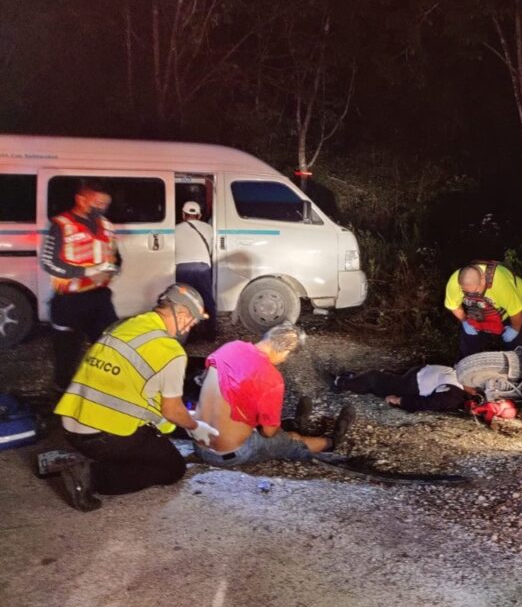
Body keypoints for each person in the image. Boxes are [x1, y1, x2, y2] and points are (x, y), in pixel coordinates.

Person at [53, 283, 218, 511]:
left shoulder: (127, 324)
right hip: (103, 436)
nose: (190, 328)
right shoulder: (170, 350)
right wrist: (194, 425)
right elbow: (171, 410)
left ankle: (100, 460)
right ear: (181, 314)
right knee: (172, 468)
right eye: (192, 322)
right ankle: (89, 477)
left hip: (71, 426)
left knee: (154, 440)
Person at [192, 323, 355, 467]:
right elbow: (268, 433)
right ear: (286, 351)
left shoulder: (230, 347)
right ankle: (331, 442)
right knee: (290, 441)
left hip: (199, 444)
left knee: (266, 422)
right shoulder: (271, 377)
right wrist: (283, 434)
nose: (284, 360)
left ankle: (297, 427)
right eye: (287, 356)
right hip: (228, 455)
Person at [40, 178, 121, 390]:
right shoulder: (61, 225)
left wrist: (114, 268)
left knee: (109, 346)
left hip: (100, 298)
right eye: (98, 203)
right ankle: (62, 394)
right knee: (66, 354)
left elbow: (115, 256)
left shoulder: (107, 226)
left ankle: (104, 391)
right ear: (81, 199)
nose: (102, 209)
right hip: (69, 301)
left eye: (105, 204)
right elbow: (49, 263)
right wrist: (86, 271)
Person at [444, 260, 522, 359]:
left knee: (514, 343)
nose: (472, 296)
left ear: (483, 280)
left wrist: (515, 330)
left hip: (509, 307)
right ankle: (466, 362)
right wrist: (465, 322)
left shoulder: (500, 283)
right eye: (466, 292)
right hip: (479, 312)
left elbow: (516, 311)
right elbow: (454, 306)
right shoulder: (454, 283)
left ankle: (518, 361)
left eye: (475, 291)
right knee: (468, 342)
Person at [332, 364, 470, 413]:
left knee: (374, 379)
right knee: (383, 382)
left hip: (412, 386)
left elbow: (426, 404)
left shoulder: (453, 397)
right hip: (419, 374)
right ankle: (357, 381)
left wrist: (399, 400)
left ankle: (342, 383)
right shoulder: (466, 377)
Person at [174, 200, 216, 340]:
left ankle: (190, 335)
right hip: (202, 267)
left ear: (183, 214)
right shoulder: (209, 229)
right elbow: (210, 249)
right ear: (199, 215)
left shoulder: (175, 229)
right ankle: (210, 333)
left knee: (185, 300)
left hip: (182, 268)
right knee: (206, 299)